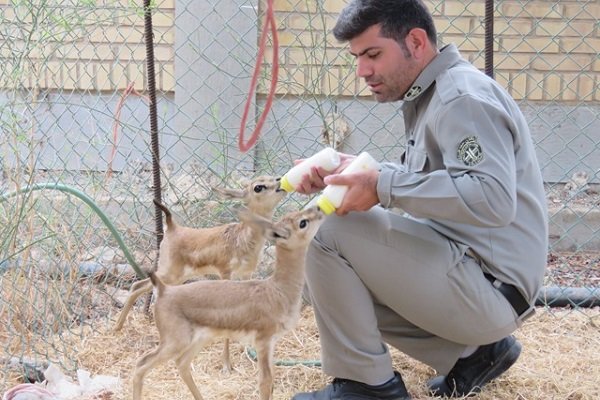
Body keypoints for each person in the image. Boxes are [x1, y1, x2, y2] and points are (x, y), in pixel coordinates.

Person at [290, 0, 548, 399]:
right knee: (337, 257)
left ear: (415, 41)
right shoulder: (432, 93)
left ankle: (368, 388)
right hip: (475, 275)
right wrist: (349, 172)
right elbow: (434, 184)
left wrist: (382, 185)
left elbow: (492, 198)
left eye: (373, 54)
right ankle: (473, 353)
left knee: (324, 230)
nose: (362, 71)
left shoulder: (462, 98)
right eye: (357, 57)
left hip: (489, 288)